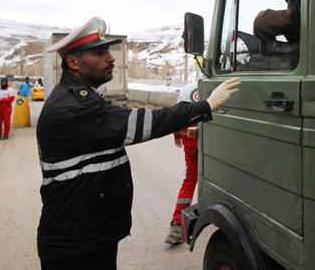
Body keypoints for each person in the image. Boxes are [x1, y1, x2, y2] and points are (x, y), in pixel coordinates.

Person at [36, 16, 240, 269]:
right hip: (75, 245)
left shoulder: (82, 98)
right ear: (73, 62)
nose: (110, 58)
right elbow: (144, 123)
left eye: (108, 51)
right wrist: (204, 106)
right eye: (99, 53)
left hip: (90, 235)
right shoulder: (72, 108)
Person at [164, 80, 200, 245]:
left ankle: (176, 226)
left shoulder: (186, 89)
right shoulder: (217, 85)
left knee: (189, 181)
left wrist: (177, 136)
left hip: (190, 140)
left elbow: (177, 115)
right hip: (212, 139)